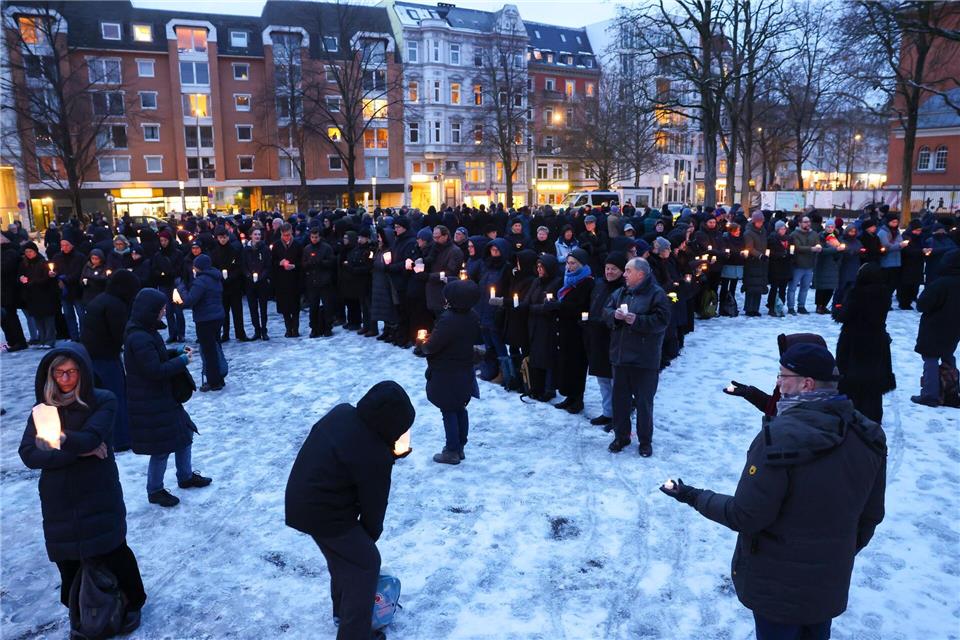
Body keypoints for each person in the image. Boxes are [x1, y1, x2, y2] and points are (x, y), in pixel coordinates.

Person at [660, 343, 886, 640]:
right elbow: (871, 515)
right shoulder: (868, 434)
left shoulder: (777, 437)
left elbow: (746, 516)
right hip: (827, 582)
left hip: (776, 587)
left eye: (783, 376)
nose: (778, 382)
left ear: (806, 384)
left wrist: (691, 495)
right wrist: (833, 553)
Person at [19, 343, 144, 632]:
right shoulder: (42, 411)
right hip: (58, 498)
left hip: (97, 490)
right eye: (59, 372)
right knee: (67, 557)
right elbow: (28, 454)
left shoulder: (103, 400)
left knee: (112, 548)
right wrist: (77, 449)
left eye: (72, 372)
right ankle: (79, 607)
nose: (65, 379)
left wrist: (56, 439)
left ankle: (133, 600)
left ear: (84, 372)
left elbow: (92, 438)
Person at [285, 381, 415, 640]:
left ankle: (342, 613)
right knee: (366, 563)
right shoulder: (375, 454)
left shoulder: (342, 412)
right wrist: (367, 540)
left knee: (343, 559)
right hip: (324, 511)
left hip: (301, 499)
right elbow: (374, 509)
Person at [124, 289, 212, 507]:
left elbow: (157, 357)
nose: (164, 311)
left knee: (185, 434)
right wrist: (182, 361)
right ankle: (155, 490)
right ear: (150, 310)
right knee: (161, 448)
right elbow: (154, 370)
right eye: (161, 308)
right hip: (150, 400)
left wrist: (176, 351)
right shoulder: (139, 337)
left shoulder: (146, 331)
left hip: (162, 397)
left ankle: (185, 476)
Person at [604, 257, 671, 456]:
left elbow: (662, 321)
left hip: (644, 359)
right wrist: (613, 316)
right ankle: (621, 436)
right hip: (621, 356)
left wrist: (638, 321)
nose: (623, 274)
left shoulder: (657, 294)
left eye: (627, 271)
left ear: (640, 274)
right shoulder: (621, 292)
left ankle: (645, 441)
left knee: (644, 402)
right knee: (620, 401)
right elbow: (606, 310)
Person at [422, 280, 481, 464]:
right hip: (464, 369)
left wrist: (423, 345)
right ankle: (460, 446)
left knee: (448, 410)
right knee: (460, 408)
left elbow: (432, 346)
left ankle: (452, 450)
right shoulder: (472, 315)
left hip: (447, 372)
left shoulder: (448, 319)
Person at [80, 270, 140, 450]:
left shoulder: (100, 299)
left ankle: (109, 435)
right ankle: (122, 438)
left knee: (102, 398)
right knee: (116, 396)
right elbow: (120, 333)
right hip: (106, 356)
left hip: (91, 355)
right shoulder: (115, 305)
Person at [835, 264, 896, 423]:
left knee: (853, 378)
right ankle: (874, 416)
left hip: (854, 341)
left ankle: (854, 414)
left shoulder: (856, 293)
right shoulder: (884, 293)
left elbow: (843, 315)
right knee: (873, 380)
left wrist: (837, 305)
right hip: (877, 339)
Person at [912, 249, 960, 407]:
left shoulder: (941, 283)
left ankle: (930, 395)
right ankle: (951, 393)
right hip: (955, 326)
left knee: (930, 358)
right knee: (948, 356)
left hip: (935, 326)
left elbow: (922, 304)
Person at [584, 251, 626, 428]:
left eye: (614, 269)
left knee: (615, 381)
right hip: (597, 337)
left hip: (615, 339)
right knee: (602, 378)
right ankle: (608, 412)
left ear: (622, 271)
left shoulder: (624, 290)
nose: (609, 272)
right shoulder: (600, 285)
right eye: (607, 268)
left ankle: (619, 415)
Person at [552, 248, 594, 414]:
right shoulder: (568, 279)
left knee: (577, 365)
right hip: (565, 328)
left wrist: (560, 307)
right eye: (568, 263)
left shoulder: (588, 282)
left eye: (573, 263)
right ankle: (569, 396)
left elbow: (581, 306)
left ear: (582, 264)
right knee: (566, 364)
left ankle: (578, 399)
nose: (569, 267)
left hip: (578, 330)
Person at [176, 254, 225, 392]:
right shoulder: (216, 278)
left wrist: (182, 290)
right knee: (216, 348)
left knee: (208, 351)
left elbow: (190, 300)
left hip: (205, 319)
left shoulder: (201, 281)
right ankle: (220, 377)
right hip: (217, 316)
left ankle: (214, 382)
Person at [18, 241, 59, 348]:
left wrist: (49, 277)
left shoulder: (43, 263)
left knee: (47, 319)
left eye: (30, 251)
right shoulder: (24, 264)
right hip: (32, 296)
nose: (28, 253)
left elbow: (47, 279)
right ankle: (42, 339)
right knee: (38, 319)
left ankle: (49, 340)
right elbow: (20, 275)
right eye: (26, 252)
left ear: (35, 251)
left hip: (44, 295)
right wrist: (21, 278)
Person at [302, 227, 337, 338]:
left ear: (319, 237)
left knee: (327, 306)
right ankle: (314, 328)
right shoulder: (307, 249)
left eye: (316, 237)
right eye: (312, 237)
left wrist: (321, 262)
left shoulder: (326, 248)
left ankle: (327, 327)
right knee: (313, 307)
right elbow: (303, 263)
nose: (314, 239)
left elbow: (332, 262)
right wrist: (309, 263)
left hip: (324, 281)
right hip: (312, 281)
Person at [52, 230, 87, 341]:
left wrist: (65, 278)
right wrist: (53, 274)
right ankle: (74, 337)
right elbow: (55, 270)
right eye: (62, 245)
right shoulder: (57, 257)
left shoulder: (80, 257)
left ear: (72, 245)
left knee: (81, 315)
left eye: (67, 245)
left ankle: (84, 336)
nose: (64, 247)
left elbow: (80, 272)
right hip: (64, 291)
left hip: (77, 291)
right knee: (68, 315)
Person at [272, 223, 303, 337]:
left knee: (295, 307)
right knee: (285, 307)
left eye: (289, 235)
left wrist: (295, 266)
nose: (287, 237)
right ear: (281, 234)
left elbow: (302, 261)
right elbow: (272, 262)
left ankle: (295, 329)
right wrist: (279, 263)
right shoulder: (276, 245)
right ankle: (288, 328)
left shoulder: (297, 245)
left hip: (294, 280)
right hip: (282, 280)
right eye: (284, 235)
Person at [241, 227, 272, 340]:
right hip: (250, 283)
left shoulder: (265, 248)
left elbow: (268, 264)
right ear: (251, 236)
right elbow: (243, 265)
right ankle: (256, 330)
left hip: (262, 282)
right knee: (252, 307)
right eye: (255, 234)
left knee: (263, 307)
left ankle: (264, 330)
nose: (258, 236)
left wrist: (262, 276)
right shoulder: (245, 249)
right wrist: (248, 275)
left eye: (259, 234)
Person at [787, 216, 821, 314]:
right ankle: (791, 307)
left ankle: (801, 306)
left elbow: (817, 244)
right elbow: (797, 247)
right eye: (805, 222)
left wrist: (818, 248)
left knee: (805, 288)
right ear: (800, 223)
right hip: (797, 265)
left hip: (809, 265)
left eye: (809, 222)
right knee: (792, 287)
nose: (808, 224)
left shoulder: (814, 234)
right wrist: (812, 248)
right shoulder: (794, 234)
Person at [0, 233, 28, 351]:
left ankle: (19, 341)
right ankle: (11, 340)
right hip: (4, 291)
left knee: (11, 317)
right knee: (4, 319)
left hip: (9, 291)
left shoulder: (10, 252)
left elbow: (5, 268)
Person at [742, 212, 768, 317]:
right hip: (752, 262)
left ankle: (755, 308)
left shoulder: (763, 231)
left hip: (761, 263)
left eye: (762, 221)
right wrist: (760, 255)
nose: (760, 223)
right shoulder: (748, 233)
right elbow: (749, 248)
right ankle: (749, 308)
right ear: (754, 221)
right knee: (751, 286)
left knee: (759, 286)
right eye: (758, 221)